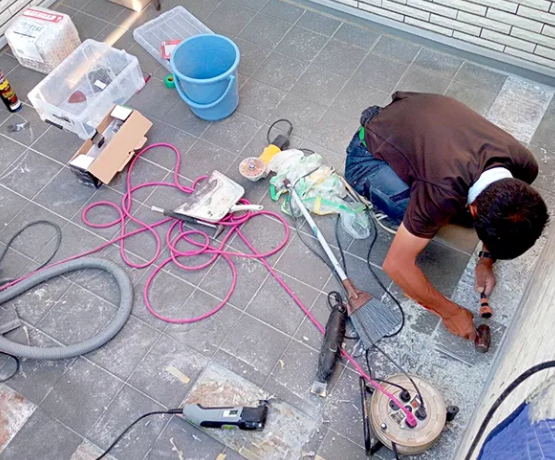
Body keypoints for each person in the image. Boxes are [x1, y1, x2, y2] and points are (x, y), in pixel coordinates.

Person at [345, 92, 548, 341]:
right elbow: (396, 265)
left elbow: (506, 212)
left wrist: (486, 260)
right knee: (420, 213)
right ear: (474, 209)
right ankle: (382, 191)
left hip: (413, 117)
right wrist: (450, 313)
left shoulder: (524, 165)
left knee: (445, 210)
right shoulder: (443, 192)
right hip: (367, 154)